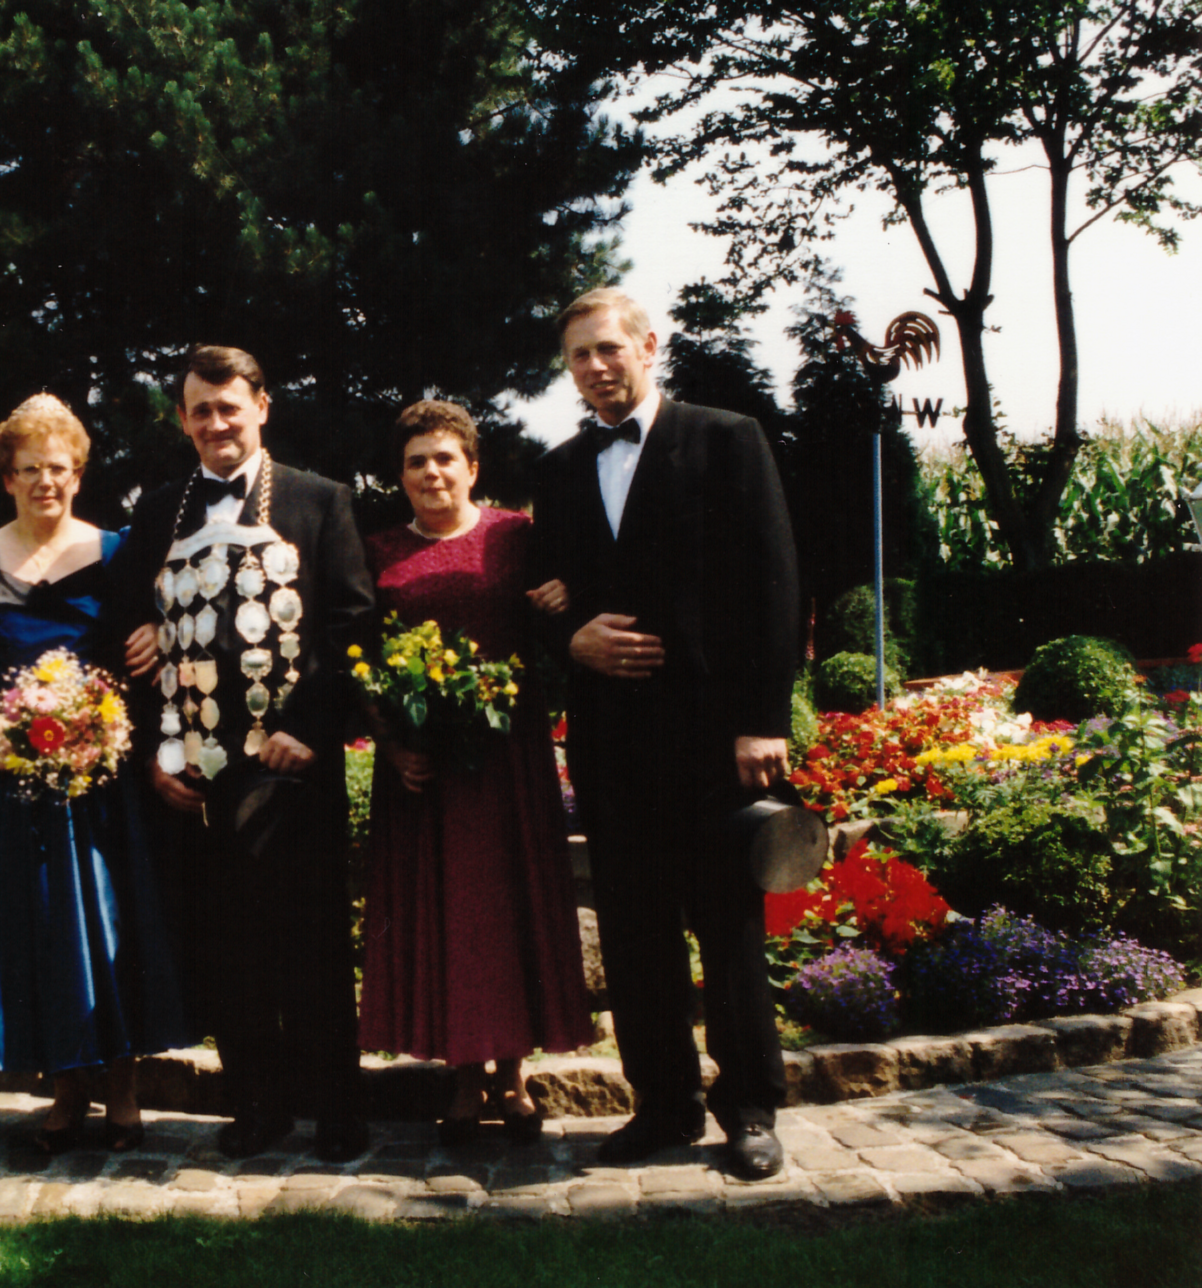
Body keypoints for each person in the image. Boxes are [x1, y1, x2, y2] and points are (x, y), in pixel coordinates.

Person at [531, 288, 800, 1181]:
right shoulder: (558, 470)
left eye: (609, 348)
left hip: (711, 735)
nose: (596, 367)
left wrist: (762, 721)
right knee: (636, 929)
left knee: (726, 926)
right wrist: (570, 640)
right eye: (580, 356)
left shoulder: (726, 440)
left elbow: (773, 582)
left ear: (649, 347)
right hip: (610, 741)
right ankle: (662, 1105)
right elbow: (541, 596)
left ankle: (749, 1107)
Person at [117, 345, 375, 1162]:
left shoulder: (321, 500)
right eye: (200, 410)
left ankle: (337, 1111)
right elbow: (128, 633)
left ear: (262, 406)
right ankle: (257, 1105)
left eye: (229, 406)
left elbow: (353, 626)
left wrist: (313, 729)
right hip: (194, 768)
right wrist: (154, 752)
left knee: (311, 944)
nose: (216, 423)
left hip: (291, 760)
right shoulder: (158, 510)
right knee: (227, 947)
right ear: (182, 419)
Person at [0, 394, 188, 1154]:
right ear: (8, 478)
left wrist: (150, 640)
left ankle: (123, 1092)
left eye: (60, 469)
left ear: (79, 475)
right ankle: (65, 1092)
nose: (47, 481)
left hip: (104, 780)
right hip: (11, 776)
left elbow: (153, 633)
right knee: (35, 930)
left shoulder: (119, 550)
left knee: (109, 926)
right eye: (31, 469)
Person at [357, 401, 596, 1145]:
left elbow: (564, 612)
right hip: (424, 767)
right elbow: (360, 660)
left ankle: (514, 1077)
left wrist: (567, 596)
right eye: (416, 462)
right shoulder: (377, 551)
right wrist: (393, 745)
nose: (431, 472)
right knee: (451, 918)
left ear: (472, 467)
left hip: (507, 758)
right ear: (399, 476)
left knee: (506, 910)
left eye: (444, 458)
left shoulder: (517, 537)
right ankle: (463, 1077)